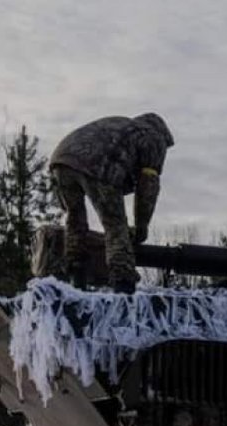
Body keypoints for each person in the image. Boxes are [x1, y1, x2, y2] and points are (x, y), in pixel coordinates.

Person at [49, 113, 175, 293]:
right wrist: (141, 227)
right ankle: (123, 283)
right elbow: (148, 188)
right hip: (99, 165)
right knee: (116, 226)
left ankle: (76, 278)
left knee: (75, 220)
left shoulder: (123, 125)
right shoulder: (153, 137)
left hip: (61, 160)